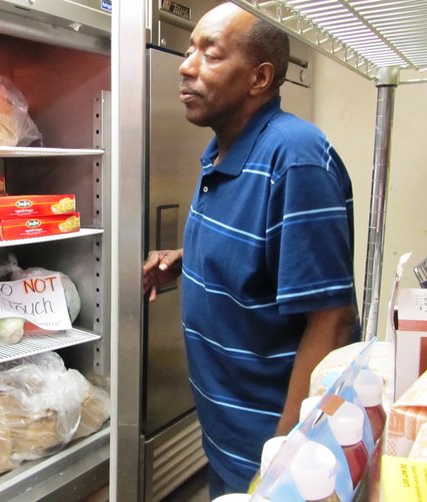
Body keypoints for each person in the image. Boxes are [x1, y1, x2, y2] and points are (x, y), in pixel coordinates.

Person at [143, 2, 359, 498]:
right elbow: (262, 254)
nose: (185, 64)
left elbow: (331, 316)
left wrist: (285, 457)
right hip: (227, 436)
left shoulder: (296, 158)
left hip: (273, 451)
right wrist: (185, 259)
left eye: (210, 54)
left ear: (259, 78)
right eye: (189, 49)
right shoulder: (222, 150)